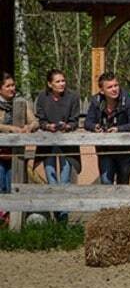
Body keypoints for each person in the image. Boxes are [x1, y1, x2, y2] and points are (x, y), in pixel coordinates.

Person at [35, 69, 80, 221]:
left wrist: (67, 126)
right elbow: (40, 119)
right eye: (58, 81)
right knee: (51, 176)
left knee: (65, 178)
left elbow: (75, 120)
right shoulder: (42, 97)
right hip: (48, 141)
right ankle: (56, 211)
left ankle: (63, 217)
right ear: (50, 84)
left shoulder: (72, 97)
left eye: (63, 81)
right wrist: (48, 126)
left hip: (66, 142)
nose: (62, 84)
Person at [84, 72, 130, 185]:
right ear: (102, 90)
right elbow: (87, 122)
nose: (114, 89)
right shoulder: (96, 101)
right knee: (105, 182)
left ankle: (121, 204)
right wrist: (95, 127)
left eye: (116, 85)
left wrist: (118, 129)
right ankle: (107, 204)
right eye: (109, 87)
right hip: (105, 150)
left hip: (125, 151)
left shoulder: (127, 100)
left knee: (123, 184)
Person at [0, 73, 38, 195]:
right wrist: (10, 128)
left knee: (13, 185)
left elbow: (35, 122)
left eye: (13, 85)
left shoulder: (21, 102)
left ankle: (10, 213)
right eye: (8, 86)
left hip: (15, 153)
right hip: (0, 152)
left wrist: (29, 127)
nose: (12, 88)